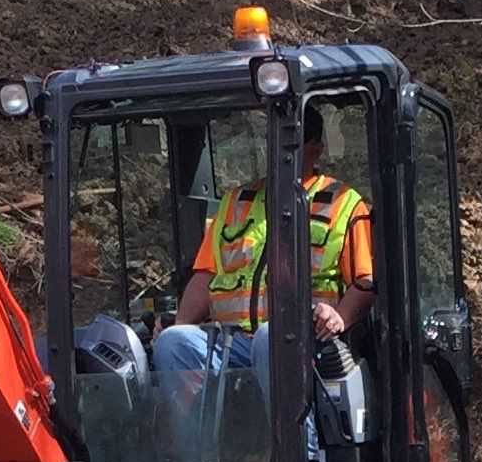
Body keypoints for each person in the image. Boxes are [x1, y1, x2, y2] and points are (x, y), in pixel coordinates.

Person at [152, 116, 373, 382]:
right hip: (231, 342)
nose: (280, 151)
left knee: (271, 338)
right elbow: (206, 275)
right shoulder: (236, 202)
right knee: (173, 342)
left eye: (291, 143)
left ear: (317, 149)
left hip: (304, 339)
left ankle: (296, 426)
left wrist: (339, 316)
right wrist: (179, 323)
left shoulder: (344, 204)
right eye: (274, 141)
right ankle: (192, 425)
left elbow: (365, 281)